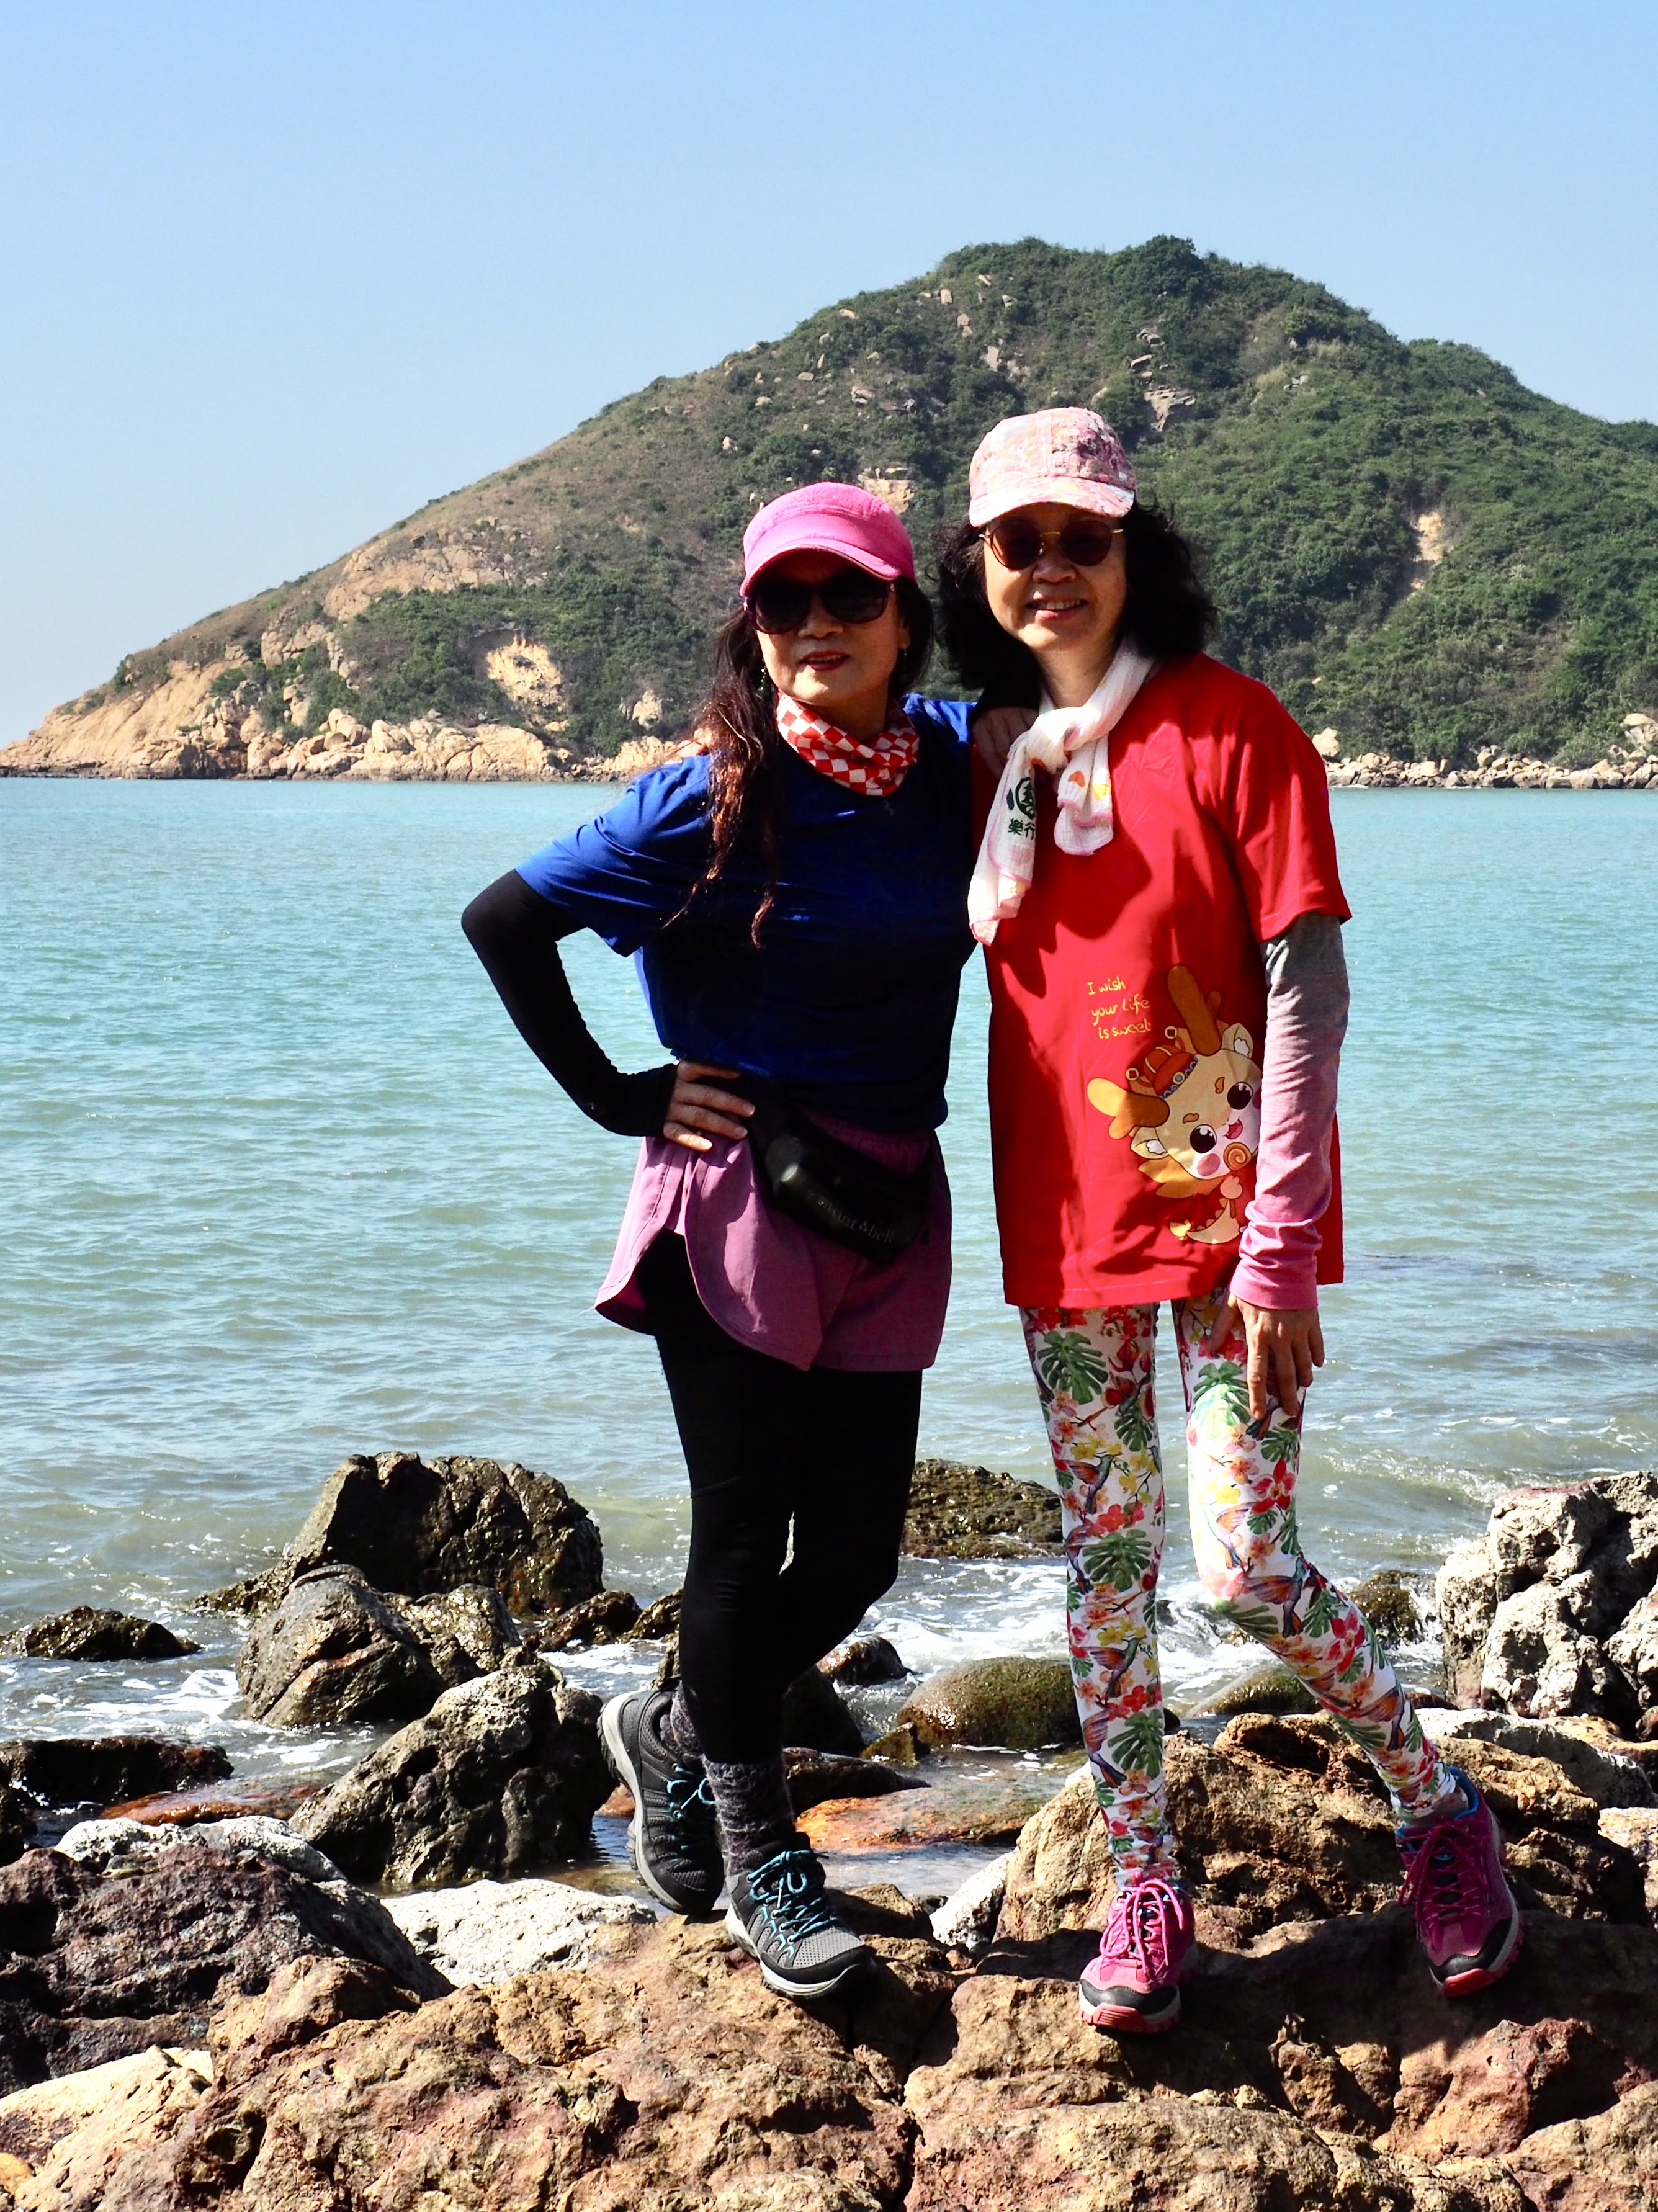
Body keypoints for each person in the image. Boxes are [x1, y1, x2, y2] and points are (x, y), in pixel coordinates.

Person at [942, 409, 1524, 2034]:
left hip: (1231, 1225)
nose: (1052, 567)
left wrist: (1280, 1247)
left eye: (1084, 537)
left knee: (1248, 1564)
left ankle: (1438, 1807)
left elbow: (1307, 988)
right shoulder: (983, 759)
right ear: (977, 566)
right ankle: (1144, 1882)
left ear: (1136, 550)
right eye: (1018, 542)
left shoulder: (1235, 727)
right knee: (1104, 1562)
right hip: (1066, 1219)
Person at [460, 483, 976, 2001]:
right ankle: (763, 1860)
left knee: (861, 1555)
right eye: (782, 601)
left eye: (850, 595)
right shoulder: (701, 798)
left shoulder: (959, 760)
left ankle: (670, 1726)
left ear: (904, 618)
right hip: (737, 1189)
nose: (817, 624)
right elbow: (503, 918)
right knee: (743, 1543)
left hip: (889, 1194)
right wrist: (613, 1093)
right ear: (751, 626)